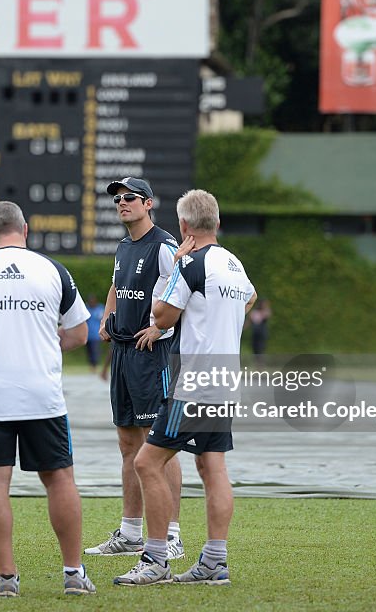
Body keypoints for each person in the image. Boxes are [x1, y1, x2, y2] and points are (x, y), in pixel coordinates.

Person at [0, 201, 96, 598]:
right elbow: (79, 334)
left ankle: (6, 579)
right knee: (60, 479)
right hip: (42, 394)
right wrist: (43, 345)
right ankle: (74, 573)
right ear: (25, 230)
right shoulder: (52, 271)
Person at [114, 189, 256, 586]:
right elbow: (250, 297)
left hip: (195, 380)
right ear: (217, 223)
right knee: (212, 466)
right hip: (225, 377)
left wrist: (176, 266)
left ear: (184, 227)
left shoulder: (191, 263)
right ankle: (214, 563)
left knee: (146, 461)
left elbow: (161, 314)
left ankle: (156, 558)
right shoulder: (233, 263)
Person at [87, 177, 185, 560]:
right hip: (125, 354)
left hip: (153, 356)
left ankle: (172, 536)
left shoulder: (163, 245)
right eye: (118, 199)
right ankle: (130, 533)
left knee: (160, 445)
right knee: (128, 443)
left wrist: (160, 326)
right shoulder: (124, 245)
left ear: (148, 204)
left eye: (130, 198)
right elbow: (115, 287)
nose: (122, 203)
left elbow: (183, 289)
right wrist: (106, 320)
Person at [85, 295, 105, 373]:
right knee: (89, 351)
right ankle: (91, 365)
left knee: (95, 351)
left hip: (96, 335)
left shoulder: (100, 309)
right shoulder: (86, 308)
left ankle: (95, 366)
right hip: (88, 335)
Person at [248, 298, 272, 363]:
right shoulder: (255, 312)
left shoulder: (265, 311)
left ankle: (260, 366)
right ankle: (258, 365)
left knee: (260, 350)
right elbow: (251, 320)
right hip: (255, 333)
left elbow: (266, 315)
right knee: (255, 350)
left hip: (262, 334)